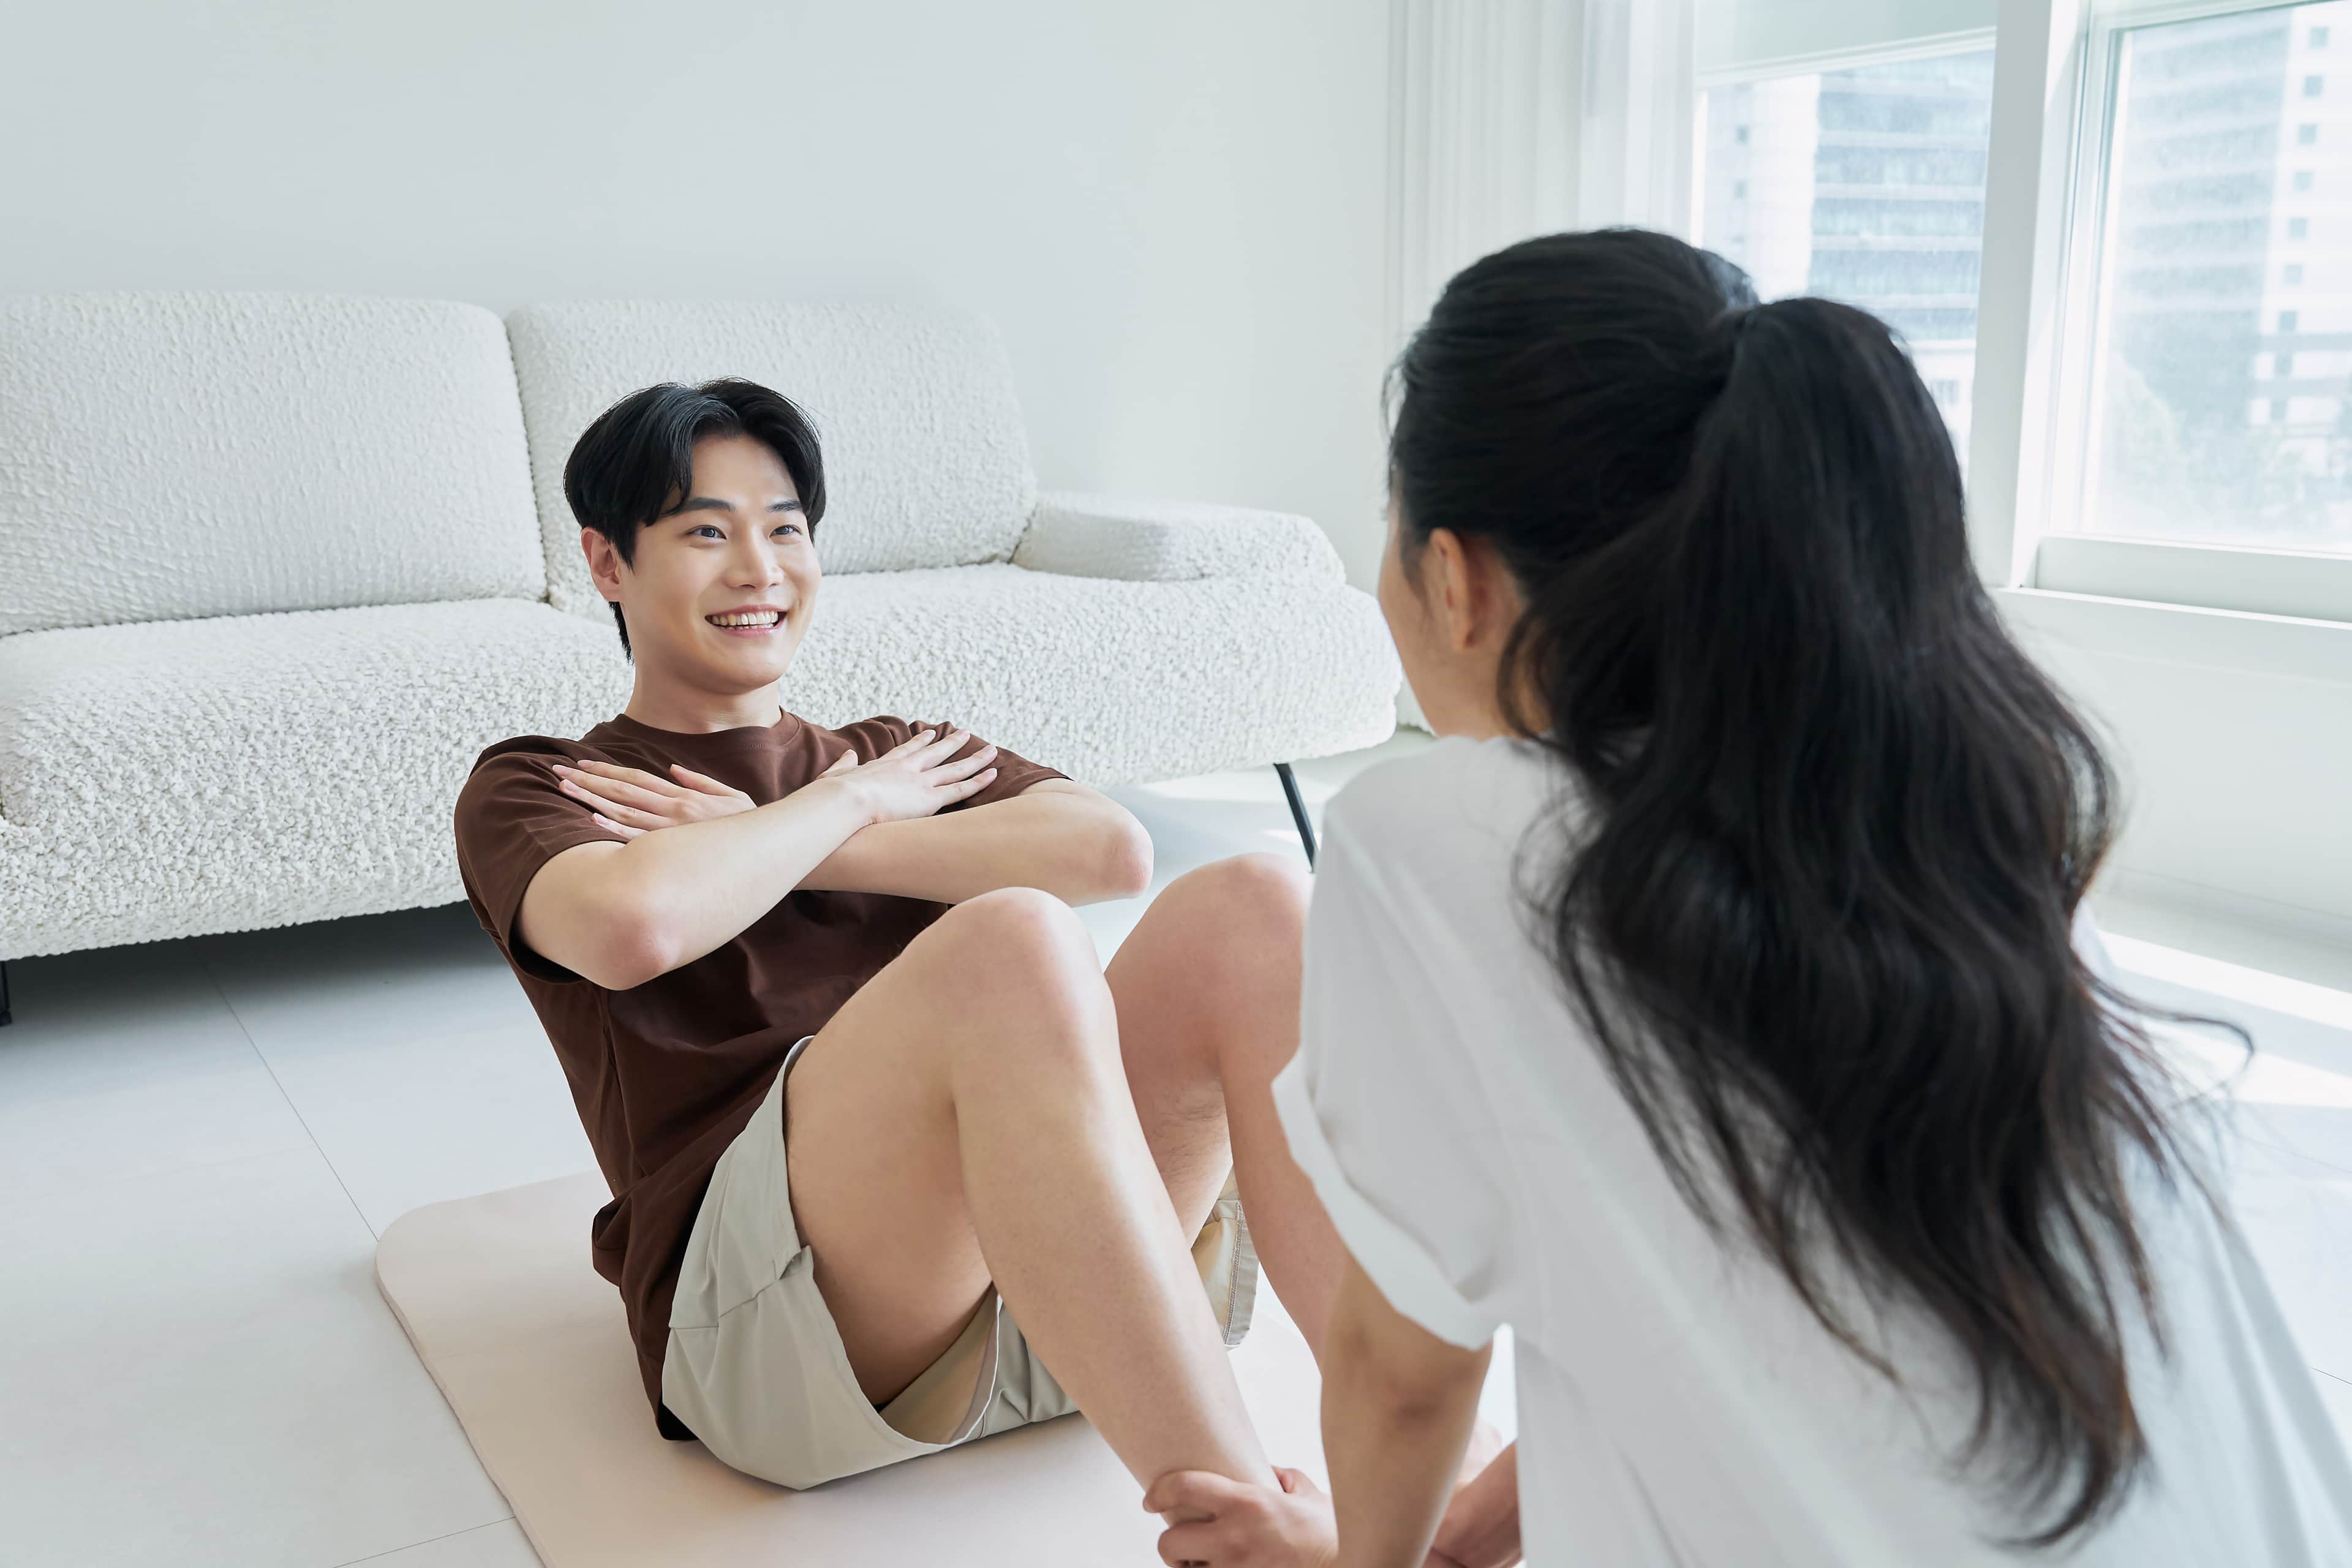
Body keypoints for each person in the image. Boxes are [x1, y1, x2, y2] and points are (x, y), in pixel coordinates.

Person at [1147, 230, 2352, 1565]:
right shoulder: (1954, 813)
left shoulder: (1436, 842)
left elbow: (1401, 1376)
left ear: (1456, 578)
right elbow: (1749, 1298)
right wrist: (1463, 1540)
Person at [449, 378, 1515, 1553]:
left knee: (1258, 901)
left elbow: (1109, 850)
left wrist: (823, 824)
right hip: (785, 1341)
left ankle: (1446, 1496)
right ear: (608, 562)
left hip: (1072, 1299)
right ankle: (1237, 1529)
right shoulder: (545, 782)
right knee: (1013, 941)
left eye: (786, 529)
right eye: (707, 532)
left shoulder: (894, 755)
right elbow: (631, 929)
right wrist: (849, 804)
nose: (758, 569)